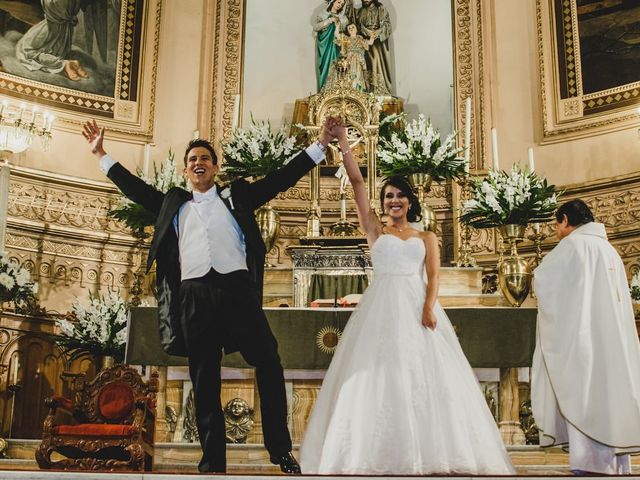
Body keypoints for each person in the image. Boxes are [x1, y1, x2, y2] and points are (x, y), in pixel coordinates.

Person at [82, 117, 339, 474]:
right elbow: (136, 190)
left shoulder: (238, 196)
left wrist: (320, 147)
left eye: (205, 158)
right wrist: (101, 155)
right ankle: (213, 462)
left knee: (268, 360)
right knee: (204, 379)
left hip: (236, 293)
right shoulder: (175, 205)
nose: (199, 163)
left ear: (216, 167)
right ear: (186, 170)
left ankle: (280, 449)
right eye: (192, 160)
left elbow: (280, 179)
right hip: (194, 297)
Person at [299, 120, 515, 475]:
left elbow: (433, 276)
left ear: (410, 201)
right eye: (388, 196)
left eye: (399, 195)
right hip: (379, 306)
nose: (393, 200)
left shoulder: (427, 236)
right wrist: (343, 144)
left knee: (423, 375)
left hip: (416, 306)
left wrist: (429, 307)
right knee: (377, 375)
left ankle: (432, 451)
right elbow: (356, 183)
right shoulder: (374, 228)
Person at [531, 199, 640, 475]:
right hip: (610, 339)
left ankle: (590, 464)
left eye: (557, 224)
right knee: (609, 394)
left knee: (586, 393)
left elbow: (545, 282)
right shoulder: (609, 250)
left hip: (584, 339)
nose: (557, 231)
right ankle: (615, 463)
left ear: (565, 220)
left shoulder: (573, 246)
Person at [356, 0, 392, 95]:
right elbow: (356, 26)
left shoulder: (380, 8)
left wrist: (377, 32)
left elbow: (387, 24)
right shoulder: (359, 11)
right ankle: (368, 90)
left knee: (375, 60)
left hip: (378, 41)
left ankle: (379, 91)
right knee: (364, 64)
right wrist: (365, 31)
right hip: (364, 41)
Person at [313, 0, 348, 92]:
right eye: (339, 2)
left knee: (335, 64)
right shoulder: (323, 14)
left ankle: (334, 89)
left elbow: (344, 33)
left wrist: (338, 24)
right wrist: (329, 20)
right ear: (333, 1)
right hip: (324, 44)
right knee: (324, 65)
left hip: (336, 46)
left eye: (342, 4)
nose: (339, 5)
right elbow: (316, 27)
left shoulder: (342, 18)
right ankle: (323, 91)